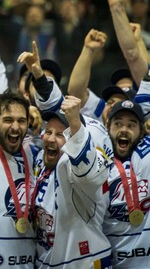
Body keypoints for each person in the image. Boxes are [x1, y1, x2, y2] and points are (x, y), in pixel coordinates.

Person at [34, 97, 112, 268]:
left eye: (61, 134)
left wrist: (76, 125)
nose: (51, 139)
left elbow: (87, 173)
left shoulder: (77, 164)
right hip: (49, 260)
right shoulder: (42, 161)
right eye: (49, 132)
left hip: (84, 262)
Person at [0, 90, 37, 269]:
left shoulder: (34, 155)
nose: (15, 127)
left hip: (27, 262)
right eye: (8, 120)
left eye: (21, 121)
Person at [102, 99, 150, 268]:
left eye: (131, 125)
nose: (124, 129)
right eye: (118, 124)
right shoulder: (98, 164)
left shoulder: (147, 157)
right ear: (108, 127)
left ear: (142, 131)